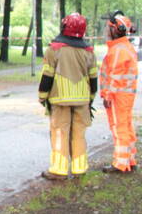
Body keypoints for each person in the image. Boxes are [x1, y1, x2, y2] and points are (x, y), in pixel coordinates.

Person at [37, 12, 98, 180]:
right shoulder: (89, 51)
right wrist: (90, 98)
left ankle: (58, 170)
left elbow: (47, 76)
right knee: (79, 134)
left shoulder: (54, 49)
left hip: (59, 98)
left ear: (64, 27)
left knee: (59, 133)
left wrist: (42, 96)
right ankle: (79, 169)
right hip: (82, 99)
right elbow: (93, 78)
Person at [100, 11, 140, 173]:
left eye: (107, 28)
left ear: (114, 30)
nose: (105, 31)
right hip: (125, 95)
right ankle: (129, 159)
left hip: (118, 96)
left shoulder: (118, 50)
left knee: (119, 127)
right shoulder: (125, 47)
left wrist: (108, 95)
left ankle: (120, 163)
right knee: (126, 125)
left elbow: (115, 75)